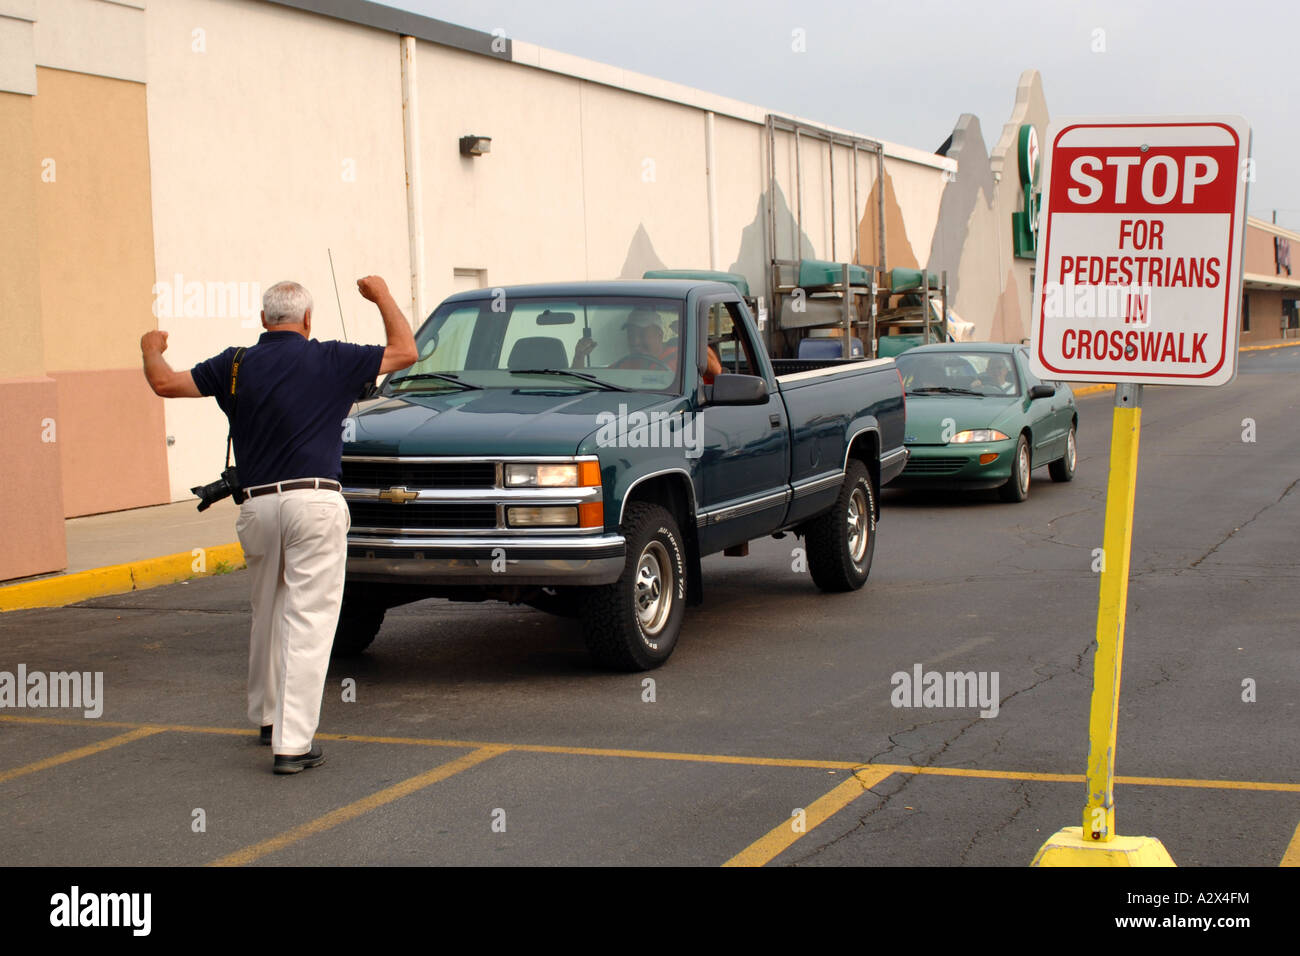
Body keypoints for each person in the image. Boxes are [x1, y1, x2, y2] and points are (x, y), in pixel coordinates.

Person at [139, 276, 417, 774]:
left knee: (267, 608)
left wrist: (150, 348)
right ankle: (291, 744)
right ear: (307, 320)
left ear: (264, 320)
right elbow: (405, 352)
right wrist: (381, 296)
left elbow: (164, 383)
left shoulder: (235, 363)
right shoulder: (333, 357)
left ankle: (267, 716)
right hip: (314, 502)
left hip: (258, 506)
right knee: (308, 620)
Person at [572, 307, 722, 383]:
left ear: (659, 335)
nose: (636, 341)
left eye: (642, 334)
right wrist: (579, 356)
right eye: (631, 335)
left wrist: (690, 336)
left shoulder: (682, 355)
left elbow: (716, 374)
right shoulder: (626, 364)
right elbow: (583, 385)